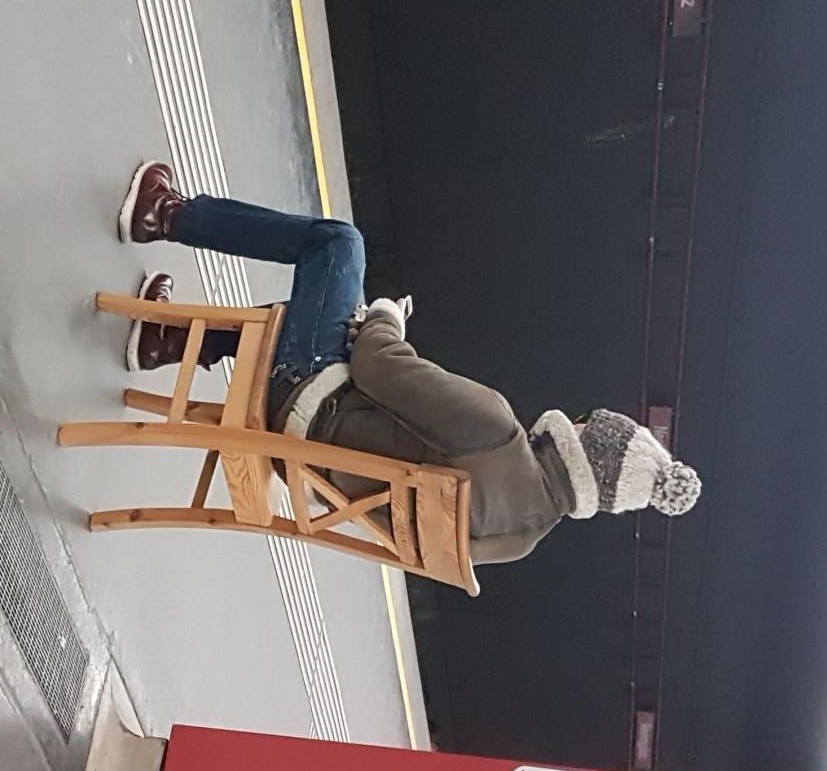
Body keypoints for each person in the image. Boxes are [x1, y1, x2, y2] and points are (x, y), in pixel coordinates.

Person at [117, 162, 701, 565]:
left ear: (580, 444)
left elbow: (379, 366)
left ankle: (165, 214)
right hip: (310, 475)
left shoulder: (497, 431)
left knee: (339, 246)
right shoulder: (523, 538)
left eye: (586, 424)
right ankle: (167, 342)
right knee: (319, 316)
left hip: (302, 406)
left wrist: (387, 318)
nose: (575, 420)